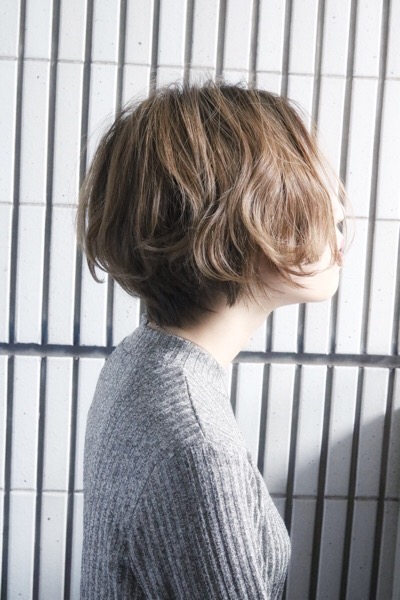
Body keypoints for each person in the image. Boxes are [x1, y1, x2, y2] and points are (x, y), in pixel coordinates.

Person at [77, 80, 348, 599]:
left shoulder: (143, 360)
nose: (336, 211)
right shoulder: (196, 447)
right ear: (226, 219)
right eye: (306, 188)